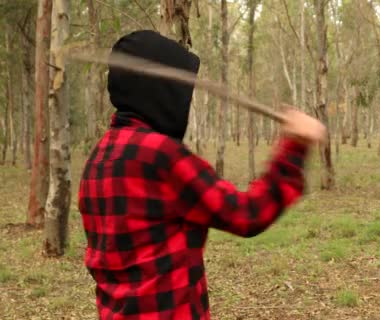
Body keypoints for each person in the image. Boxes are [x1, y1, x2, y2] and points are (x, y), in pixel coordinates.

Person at [78, 30, 326, 320]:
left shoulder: (98, 159)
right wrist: (295, 146)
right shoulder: (160, 156)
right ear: (160, 91)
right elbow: (247, 214)